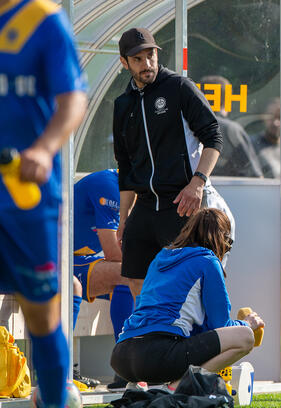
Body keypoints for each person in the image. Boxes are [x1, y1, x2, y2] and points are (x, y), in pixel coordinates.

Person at [0, 0, 87, 406]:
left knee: (41, 313)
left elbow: (73, 99)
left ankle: (54, 398)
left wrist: (44, 149)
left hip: (25, 195)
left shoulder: (44, 20)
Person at [112, 28, 223, 298]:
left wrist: (197, 183)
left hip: (182, 202)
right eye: (137, 59)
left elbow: (214, 137)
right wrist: (123, 218)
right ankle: (145, 338)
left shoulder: (179, 86)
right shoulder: (122, 104)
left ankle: (194, 338)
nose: (147, 64)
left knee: (188, 284)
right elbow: (125, 166)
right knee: (137, 282)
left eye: (150, 56)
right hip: (146, 205)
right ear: (124, 63)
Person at [110, 208, 264, 389]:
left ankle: (161, 388)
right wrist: (247, 324)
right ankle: (179, 387)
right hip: (157, 354)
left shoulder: (160, 258)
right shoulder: (208, 261)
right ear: (222, 238)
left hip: (122, 355)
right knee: (244, 337)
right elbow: (220, 326)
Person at [72, 169, 134, 389]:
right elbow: (113, 253)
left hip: (81, 259)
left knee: (141, 281)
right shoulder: (110, 184)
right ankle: (126, 366)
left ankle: (137, 364)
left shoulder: (138, 193)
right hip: (55, 259)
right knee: (128, 276)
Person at [199, 75, 264, 178]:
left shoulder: (188, 127)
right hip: (230, 193)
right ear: (227, 99)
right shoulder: (232, 130)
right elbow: (254, 175)